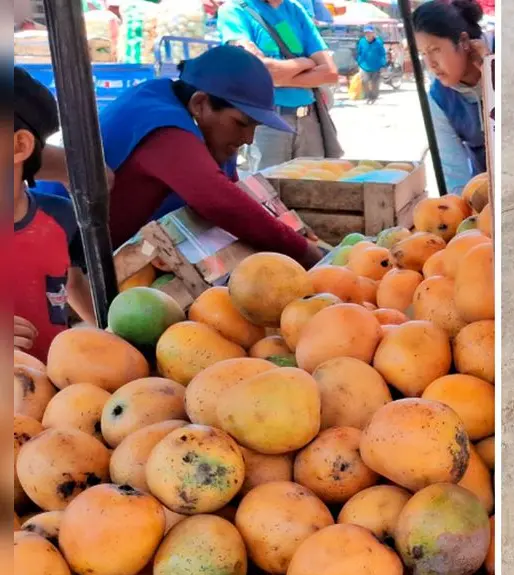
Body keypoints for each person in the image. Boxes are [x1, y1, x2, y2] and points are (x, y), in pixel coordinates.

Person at [98, 44, 324, 267]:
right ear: (200, 104)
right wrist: (304, 252)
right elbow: (221, 201)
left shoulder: (203, 125)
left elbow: (233, 189)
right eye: (241, 124)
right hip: (80, 268)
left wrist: (288, 226)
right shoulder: (162, 125)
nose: (249, 139)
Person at [13, 67, 96, 358]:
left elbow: (68, 278)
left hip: (54, 391)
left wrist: (107, 328)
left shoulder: (61, 217)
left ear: (19, 145)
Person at [218, 0, 342, 170]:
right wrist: (307, 62)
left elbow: (330, 72)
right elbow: (258, 69)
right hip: (266, 123)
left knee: (313, 188)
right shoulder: (236, 10)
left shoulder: (294, 10)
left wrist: (278, 78)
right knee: (270, 190)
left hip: (309, 121)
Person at [413, 0, 493, 194]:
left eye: (435, 50)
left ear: (464, 42)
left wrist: (490, 72)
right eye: (423, 54)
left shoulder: (501, 52)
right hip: (484, 194)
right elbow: (454, 173)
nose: (430, 63)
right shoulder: (438, 99)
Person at [356, 25, 387, 105]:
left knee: (375, 84)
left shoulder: (379, 42)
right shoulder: (362, 41)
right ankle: (368, 96)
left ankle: (374, 97)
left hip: (376, 66)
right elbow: (359, 52)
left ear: (373, 33)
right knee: (364, 81)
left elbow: (382, 54)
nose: (368, 34)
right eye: (366, 32)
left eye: (369, 32)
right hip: (364, 65)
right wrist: (359, 63)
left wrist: (383, 65)